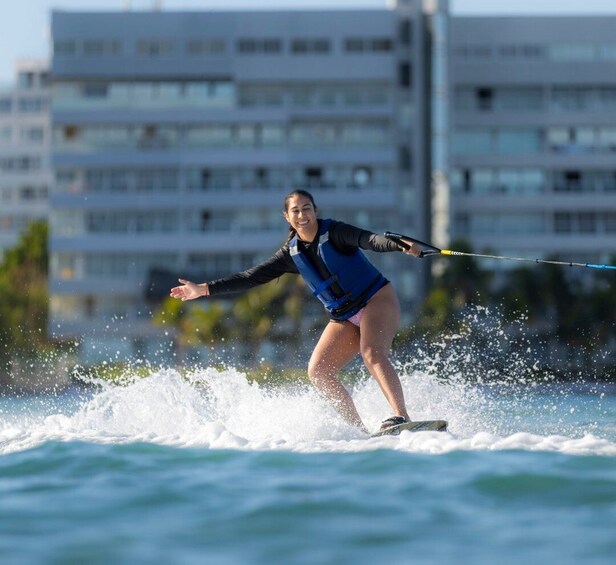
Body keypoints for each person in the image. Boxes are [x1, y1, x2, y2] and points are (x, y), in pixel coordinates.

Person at [170, 190, 421, 433]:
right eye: (295, 211)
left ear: (315, 211)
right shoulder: (291, 254)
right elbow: (251, 277)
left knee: (372, 353)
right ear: (287, 217)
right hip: (344, 316)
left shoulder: (335, 232)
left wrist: (398, 244)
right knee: (319, 372)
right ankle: (360, 432)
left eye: (307, 208)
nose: (302, 215)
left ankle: (401, 417)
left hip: (375, 299)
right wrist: (203, 289)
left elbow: (370, 240)